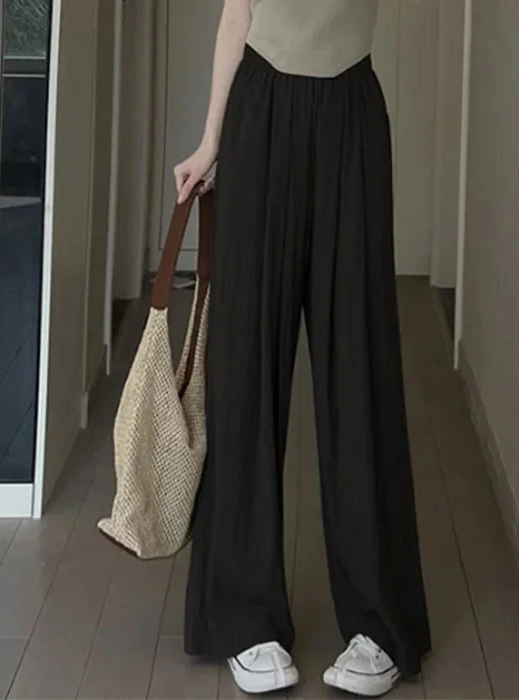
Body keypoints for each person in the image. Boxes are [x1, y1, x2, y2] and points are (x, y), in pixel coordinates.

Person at [174, 0, 431, 695]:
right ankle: (242, 616)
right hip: (261, 108)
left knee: (359, 363)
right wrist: (211, 142)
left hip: (351, 111)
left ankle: (379, 621)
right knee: (246, 362)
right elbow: (238, 12)